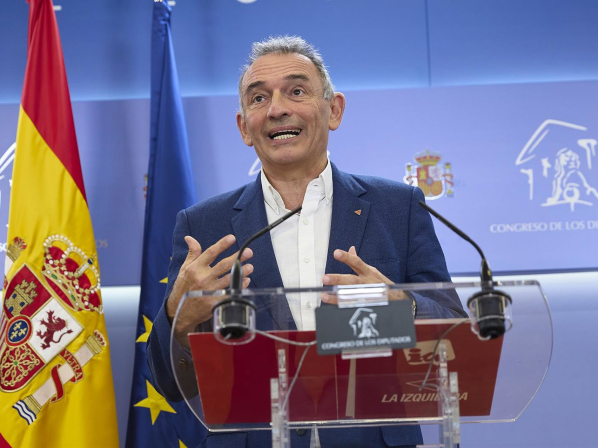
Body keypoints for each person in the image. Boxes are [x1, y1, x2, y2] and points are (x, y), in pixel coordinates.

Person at [147, 36, 466, 448]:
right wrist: (178, 316)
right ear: (244, 127)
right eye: (259, 98)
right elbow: (168, 383)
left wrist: (405, 307)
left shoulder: (397, 207)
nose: (277, 109)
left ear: (334, 110)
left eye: (296, 91)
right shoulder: (204, 225)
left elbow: (458, 341)